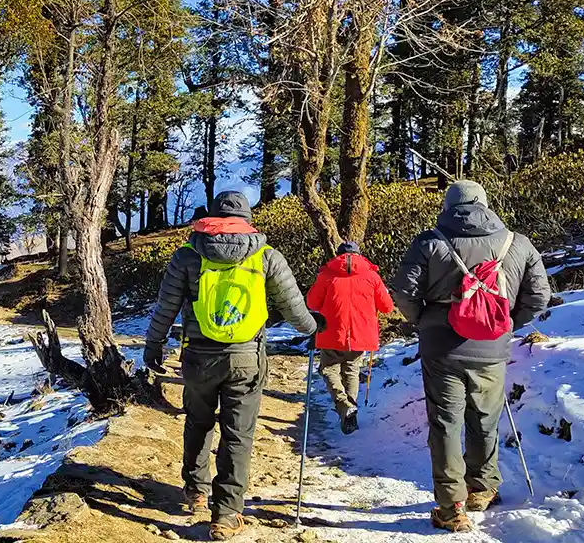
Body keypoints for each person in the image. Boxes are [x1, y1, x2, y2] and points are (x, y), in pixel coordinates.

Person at [144, 191, 321, 541]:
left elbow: (166, 306)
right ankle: (226, 514)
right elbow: (293, 308)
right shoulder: (266, 256)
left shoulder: (187, 255)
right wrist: (315, 328)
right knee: (238, 433)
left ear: (212, 215)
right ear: (247, 218)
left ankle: (196, 490)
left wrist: (154, 344)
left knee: (198, 422)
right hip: (246, 358)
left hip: (198, 356)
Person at [391, 180, 550, 532]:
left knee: (446, 423)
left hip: (441, 348)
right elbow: (539, 295)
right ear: (485, 204)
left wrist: (425, 322)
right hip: (492, 348)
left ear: (448, 207)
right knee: (485, 419)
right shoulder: (516, 242)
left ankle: (451, 507)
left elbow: (403, 291)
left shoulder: (429, 242)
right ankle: (481, 487)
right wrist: (505, 323)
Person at [306, 240, 394, 435]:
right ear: (359, 255)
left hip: (331, 332)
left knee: (328, 369)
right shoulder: (372, 276)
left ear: (338, 255)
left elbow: (312, 302)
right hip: (361, 334)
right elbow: (387, 307)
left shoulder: (326, 275)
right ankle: (350, 413)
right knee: (352, 371)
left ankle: (344, 405)